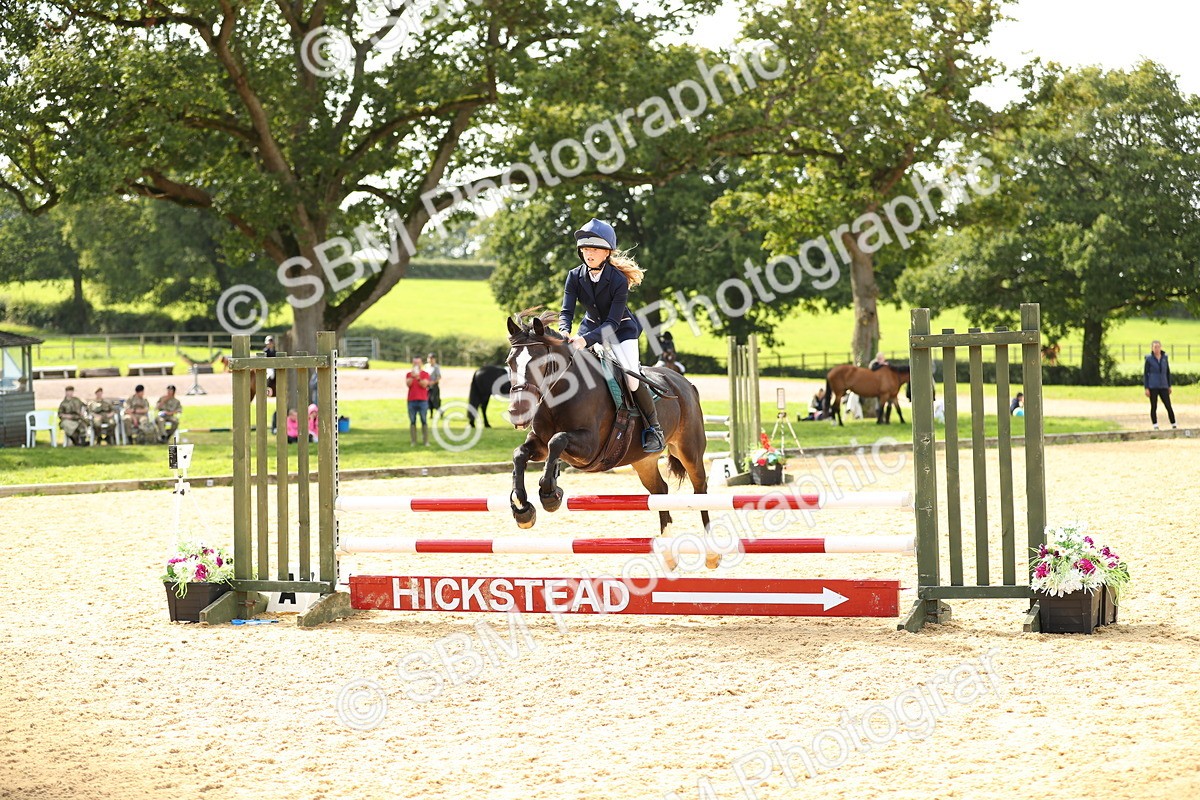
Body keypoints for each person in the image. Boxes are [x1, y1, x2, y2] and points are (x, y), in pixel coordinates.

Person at [559, 217, 664, 452]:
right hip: (589, 327)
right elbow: (566, 310)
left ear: (607, 252)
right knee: (566, 366)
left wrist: (585, 340)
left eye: (594, 249)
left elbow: (613, 322)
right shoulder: (574, 276)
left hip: (621, 331)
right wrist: (564, 330)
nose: (589, 253)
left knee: (632, 378)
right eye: (585, 249)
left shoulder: (617, 279)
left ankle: (653, 429)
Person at [1144, 339, 1177, 430]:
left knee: (1168, 405)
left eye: (1158, 347)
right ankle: (1155, 425)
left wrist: (1169, 385)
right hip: (1153, 386)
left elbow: (1168, 372)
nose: (1157, 349)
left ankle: (1173, 423)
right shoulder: (1149, 359)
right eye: (1155, 347)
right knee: (1154, 406)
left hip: (1163, 385)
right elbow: (1145, 374)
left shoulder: (1164, 358)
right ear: (1152, 348)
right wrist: (1146, 387)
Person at [406, 356, 431, 446]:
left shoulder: (425, 374)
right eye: (415, 363)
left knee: (424, 420)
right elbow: (408, 384)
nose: (416, 364)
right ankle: (413, 441)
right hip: (411, 400)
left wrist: (418, 378)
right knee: (412, 421)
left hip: (422, 400)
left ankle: (426, 441)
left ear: (421, 364)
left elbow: (424, 385)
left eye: (418, 363)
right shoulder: (409, 374)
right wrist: (412, 377)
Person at [425, 353, 442, 419]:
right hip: (428, 386)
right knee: (428, 400)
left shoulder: (436, 367)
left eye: (432, 358)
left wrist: (433, 382)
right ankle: (431, 414)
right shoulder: (426, 366)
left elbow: (439, 377)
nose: (430, 360)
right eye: (429, 358)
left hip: (434, 386)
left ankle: (440, 411)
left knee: (434, 400)